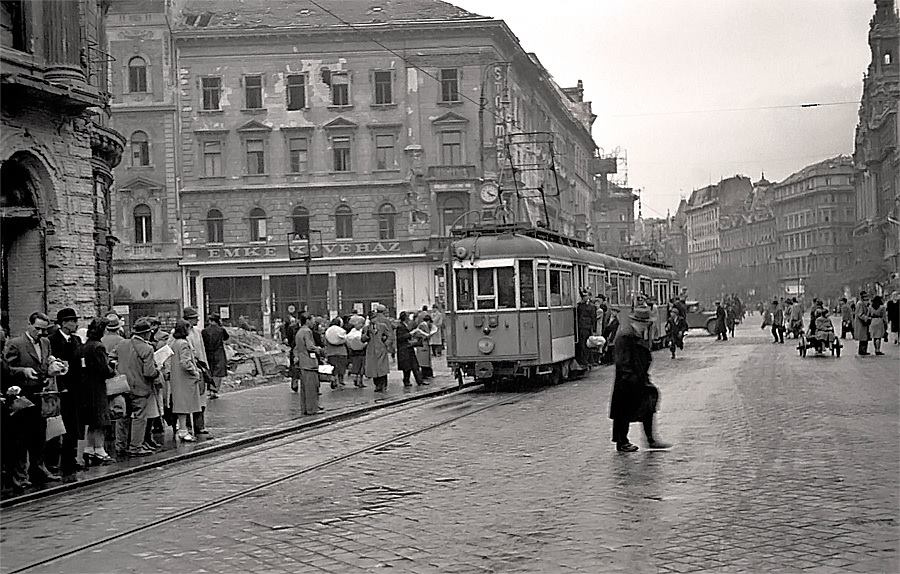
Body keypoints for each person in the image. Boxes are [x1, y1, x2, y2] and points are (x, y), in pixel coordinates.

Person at [4, 312, 61, 484]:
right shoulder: (16, 343)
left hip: (40, 393)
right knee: (21, 436)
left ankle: (39, 468)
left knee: (39, 435)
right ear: (29, 325)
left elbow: (44, 363)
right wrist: (23, 370)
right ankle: (20, 475)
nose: (40, 333)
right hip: (22, 395)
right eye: (37, 329)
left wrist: (53, 365)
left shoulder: (45, 342)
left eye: (44, 330)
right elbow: (7, 369)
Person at [609, 305, 671, 452]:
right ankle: (623, 441)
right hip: (628, 381)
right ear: (641, 323)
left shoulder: (632, 334)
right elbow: (623, 361)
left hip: (635, 379)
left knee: (644, 408)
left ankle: (647, 439)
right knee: (624, 413)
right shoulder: (626, 336)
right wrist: (632, 379)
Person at [114, 318, 160, 457]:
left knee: (123, 417)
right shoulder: (147, 348)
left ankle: (120, 446)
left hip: (122, 386)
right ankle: (135, 447)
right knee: (139, 417)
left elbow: (111, 358)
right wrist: (158, 371)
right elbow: (149, 372)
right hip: (140, 388)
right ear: (146, 333)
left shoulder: (122, 344)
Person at [47, 308, 83, 476]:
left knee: (73, 425)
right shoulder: (53, 340)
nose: (76, 324)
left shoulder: (76, 340)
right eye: (73, 321)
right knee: (57, 426)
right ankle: (53, 461)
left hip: (75, 389)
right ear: (64, 323)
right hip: (60, 389)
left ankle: (71, 458)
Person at [179, 307, 210, 436]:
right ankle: (187, 426)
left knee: (201, 398)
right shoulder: (179, 333)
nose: (197, 319)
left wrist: (205, 366)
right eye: (194, 318)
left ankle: (199, 425)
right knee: (188, 399)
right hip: (188, 370)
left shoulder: (197, 332)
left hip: (199, 367)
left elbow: (201, 350)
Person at [169, 320, 201, 441]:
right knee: (185, 405)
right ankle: (183, 430)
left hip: (177, 378)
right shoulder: (183, 344)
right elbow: (185, 362)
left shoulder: (175, 342)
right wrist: (195, 371)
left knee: (180, 404)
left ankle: (182, 428)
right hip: (185, 379)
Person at [294, 313, 323, 414]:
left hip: (302, 362)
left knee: (304, 388)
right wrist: (318, 349)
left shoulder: (299, 331)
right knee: (312, 387)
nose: (314, 322)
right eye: (312, 320)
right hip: (309, 362)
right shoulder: (307, 331)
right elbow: (310, 346)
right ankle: (312, 409)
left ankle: (305, 409)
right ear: (307, 320)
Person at [362, 304, 395, 392]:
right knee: (373, 369)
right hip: (371, 351)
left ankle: (383, 384)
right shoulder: (366, 328)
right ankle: (377, 385)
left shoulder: (383, 326)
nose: (373, 320)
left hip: (381, 349)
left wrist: (386, 344)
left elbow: (390, 336)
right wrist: (367, 335)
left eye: (374, 318)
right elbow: (362, 339)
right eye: (371, 318)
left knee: (382, 369)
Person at [201, 312, 229, 400]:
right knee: (218, 372)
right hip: (219, 352)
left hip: (208, 353)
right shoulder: (221, 330)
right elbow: (226, 338)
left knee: (210, 371)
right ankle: (214, 390)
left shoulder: (204, 331)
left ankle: (209, 390)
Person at [396, 312, 423, 387]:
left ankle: (419, 381)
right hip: (404, 349)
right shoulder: (400, 326)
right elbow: (401, 337)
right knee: (407, 367)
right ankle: (406, 381)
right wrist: (411, 333)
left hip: (408, 348)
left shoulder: (406, 325)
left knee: (415, 366)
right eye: (407, 317)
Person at [324, 317, 349, 389]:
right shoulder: (341, 331)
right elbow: (345, 340)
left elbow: (325, 342)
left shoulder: (328, 331)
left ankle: (334, 379)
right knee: (342, 367)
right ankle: (341, 381)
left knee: (333, 368)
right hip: (342, 352)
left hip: (331, 352)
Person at [575, 289, 597, 367]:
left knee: (587, 344)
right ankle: (585, 360)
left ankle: (587, 360)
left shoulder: (590, 306)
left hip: (587, 327)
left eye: (586, 296)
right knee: (583, 344)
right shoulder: (580, 306)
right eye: (583, 296)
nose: (585, 297)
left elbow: (593, 318)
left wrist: (594, 329)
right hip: (582, 327)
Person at [345, 314, 367, 388]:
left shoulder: (350, 333)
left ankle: (357, 379)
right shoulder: (359, 333)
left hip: (353, 352)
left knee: (357, 366)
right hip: (361, 351)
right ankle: (359, 380)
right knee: (360, 366)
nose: (362, 325)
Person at [414, 314, 437, 380]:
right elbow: (419, 334)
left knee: (426, 361)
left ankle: (427, 374)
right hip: (422, 345)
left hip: (424, 345)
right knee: (424, 361)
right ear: (428, 321)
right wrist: (426, 336)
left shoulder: (424, 325)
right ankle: (425, 374)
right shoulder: (422, 325)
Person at [854, 291, 872, 356]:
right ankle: (862, 351)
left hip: (865, 323)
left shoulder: (865, 304)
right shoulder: (860, 304)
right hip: (861, 323)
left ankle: (864, 350)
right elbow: (860, 314)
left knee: (865, 337)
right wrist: (866, 318)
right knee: (863, 337)